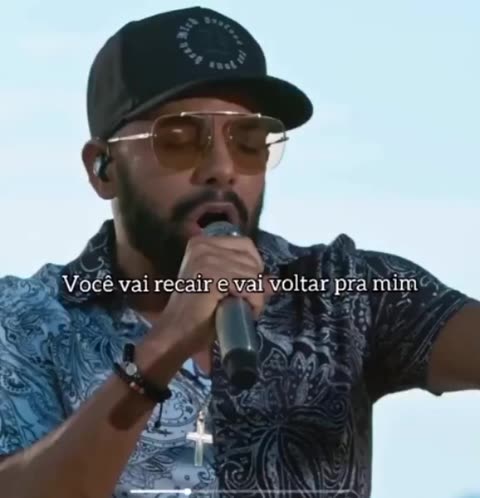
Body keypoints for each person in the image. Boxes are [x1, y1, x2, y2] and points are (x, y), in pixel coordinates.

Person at [0, 6, 478, 498]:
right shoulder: (25, 322)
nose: (223, 168)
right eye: (180, 140)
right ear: (103, 167)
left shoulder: (340, 294)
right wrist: (162, 348)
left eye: (249, 142)